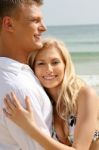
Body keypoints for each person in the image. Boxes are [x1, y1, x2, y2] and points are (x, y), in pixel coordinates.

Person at [3, 38, 99, 150]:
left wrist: (29, 126)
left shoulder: (85, 95)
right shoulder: (42, 103)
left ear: (65, 64)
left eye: (55, 62)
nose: (49, 69)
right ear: (33, 68)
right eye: (41, 63)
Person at [0, 1, 52, 150]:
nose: (43, 27)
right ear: (9, 24)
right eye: (35, 20)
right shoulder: (17, 88)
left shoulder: (23, 74)